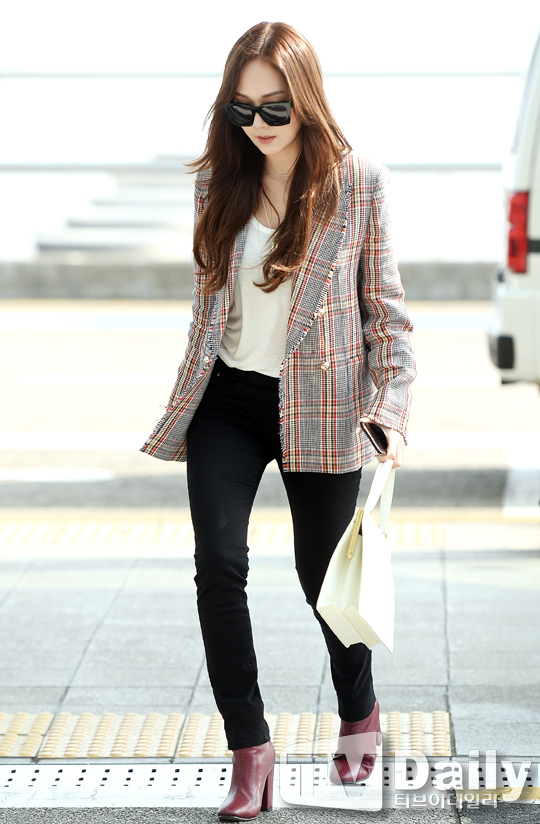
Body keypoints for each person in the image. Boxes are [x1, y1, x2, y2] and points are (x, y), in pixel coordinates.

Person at [141, 20, 416, 822]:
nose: (257, 124)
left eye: (274, 108)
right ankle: (250, 751)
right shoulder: (217, 183)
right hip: (227, 401)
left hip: (323, 405)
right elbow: (210, 309)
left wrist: (391, 409)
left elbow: (388, 315)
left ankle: (358, 710)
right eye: (242, 109)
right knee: (219, 566)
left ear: (306, 101)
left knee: (325, 584)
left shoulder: (357, 182)